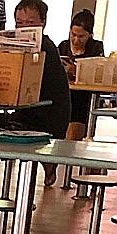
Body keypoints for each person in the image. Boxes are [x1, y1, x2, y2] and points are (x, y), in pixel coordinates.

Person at [12, 0, 71, 184]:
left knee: (33, 147)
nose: (24, 28)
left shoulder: (45, 46)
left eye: (30, 23)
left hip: (50, 112)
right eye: (19, 23)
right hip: (29, 108)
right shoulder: (17, 45)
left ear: (43, 22)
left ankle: (47, 168)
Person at [59, 9, 104, 141]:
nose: (76, 40)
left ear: (90, 35)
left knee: (78, 112)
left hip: (83, 98)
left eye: (81, 36)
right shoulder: (63, 46)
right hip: (65, 94)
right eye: (73, 35)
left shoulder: (96, 48)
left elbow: (98, 74)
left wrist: (76, 71)